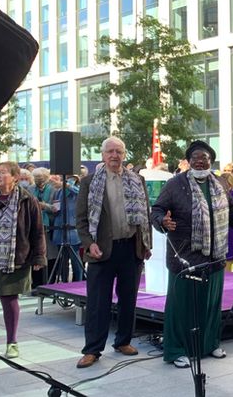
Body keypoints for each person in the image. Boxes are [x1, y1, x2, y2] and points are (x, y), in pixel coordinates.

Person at [151, 141, 233, 368]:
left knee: (210, 305)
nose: (201, 161)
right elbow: (157, 209)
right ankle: (176, 349)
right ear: (189, 161)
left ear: (211, 161)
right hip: (185, 256)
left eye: (205, 158)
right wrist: (163, 221)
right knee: (181, 306)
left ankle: (209, 344)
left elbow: (232, 213)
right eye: (196, 158)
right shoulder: (175, 184)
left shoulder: (219, 183)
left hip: (215, 256)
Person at [74, 137, 154, 368]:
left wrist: (146, 244)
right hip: (101, 251)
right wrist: (89, 243)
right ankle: (92, 349)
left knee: (129, 298)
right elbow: (80, 219)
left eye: (118, 151)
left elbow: (145, 217)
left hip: (130, 248)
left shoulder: (137, 180)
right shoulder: (89, 182)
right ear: (103, 155)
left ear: (124, 154)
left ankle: (123, 341)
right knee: (98, 302)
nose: (114, 156)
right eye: (110, 151)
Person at [0, 161, 45, 359]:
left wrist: (39, 256)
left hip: (14, 257)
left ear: (15, 177)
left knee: (9, 298)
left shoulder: (27, 199)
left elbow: (37, 231)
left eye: (2, 173)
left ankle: (12, 342)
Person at [52, 174, 84, 283]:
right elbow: (56, 205)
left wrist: (68, 186)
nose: (69, 180)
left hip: (72, 229)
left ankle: (78, 281)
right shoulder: (59, 191)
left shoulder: (77, 190)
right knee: (62, 259)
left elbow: (80, 193)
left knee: (75, 258)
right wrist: (53, 209)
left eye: (71, 178)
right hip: (60, 227)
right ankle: (64, 281)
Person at [31, 168, 57, 288]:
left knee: (50, 254)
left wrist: (44, 206)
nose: (38, 180)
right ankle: (36, 283)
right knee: (35, 253)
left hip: (50, 226)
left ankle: (49, 282)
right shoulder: (30, 189)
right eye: (36, 178)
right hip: (33, 225)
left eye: (41, 178)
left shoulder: (54, 190)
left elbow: (57, 208)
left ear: (47, 178)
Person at [218, 173, 233, 273]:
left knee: (228, 271)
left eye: (226, 183)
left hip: (230, 234)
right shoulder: (215, 195)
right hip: (218, 236)